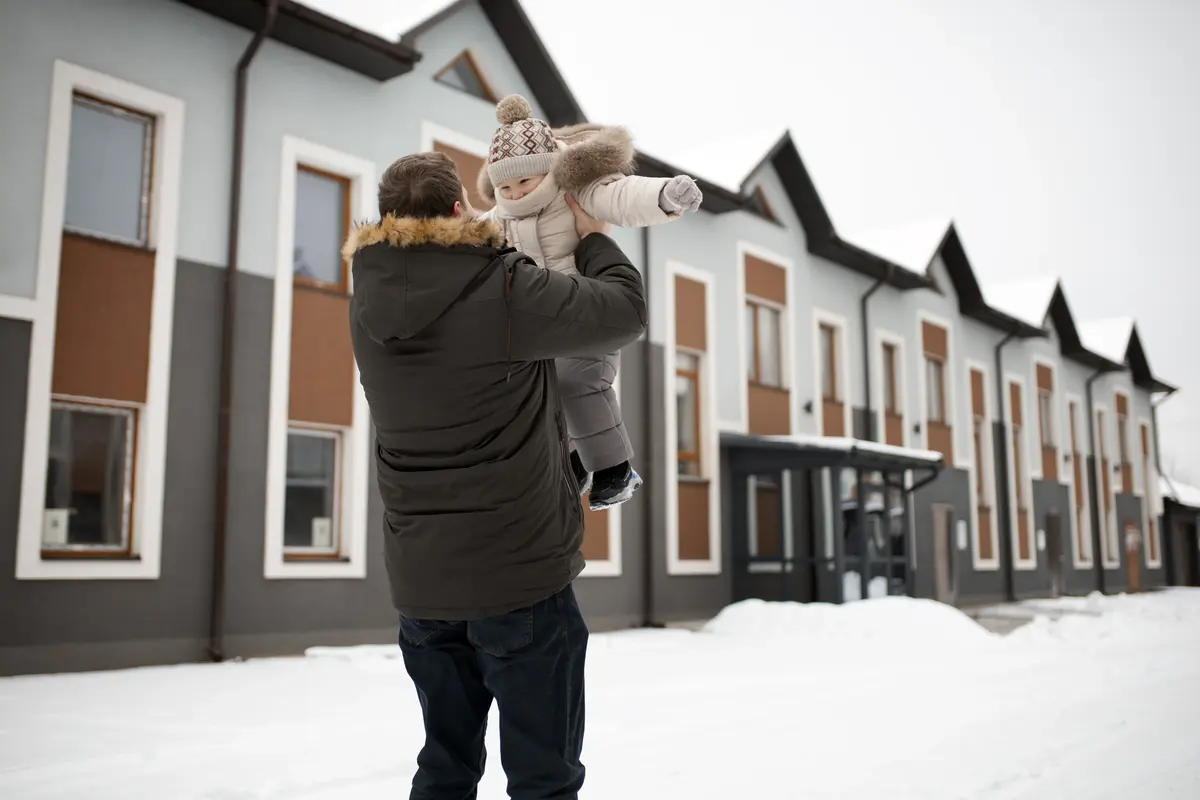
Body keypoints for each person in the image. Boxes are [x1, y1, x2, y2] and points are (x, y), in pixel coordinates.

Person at [344, 150, 647, 800]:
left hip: (424, 587)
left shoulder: (366, 300)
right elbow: (624, 310)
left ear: (386, 218)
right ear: (460, 209)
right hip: (522, 581)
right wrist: (591, 236)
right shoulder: (504, 289)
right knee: (544, 780)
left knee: (446, 771)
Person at [477, 94, 702, 510]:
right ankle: (575, 462)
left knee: (577, 381)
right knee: (542, 391)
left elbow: (621, 197)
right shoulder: (501, 217)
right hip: (542, 329)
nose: (515, 192)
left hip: (587, 313)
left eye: (525, 182)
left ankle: (616, 470)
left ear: (548, 168)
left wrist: (665, 195)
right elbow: (473, 235)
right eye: (505, 186)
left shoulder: (575, 191)